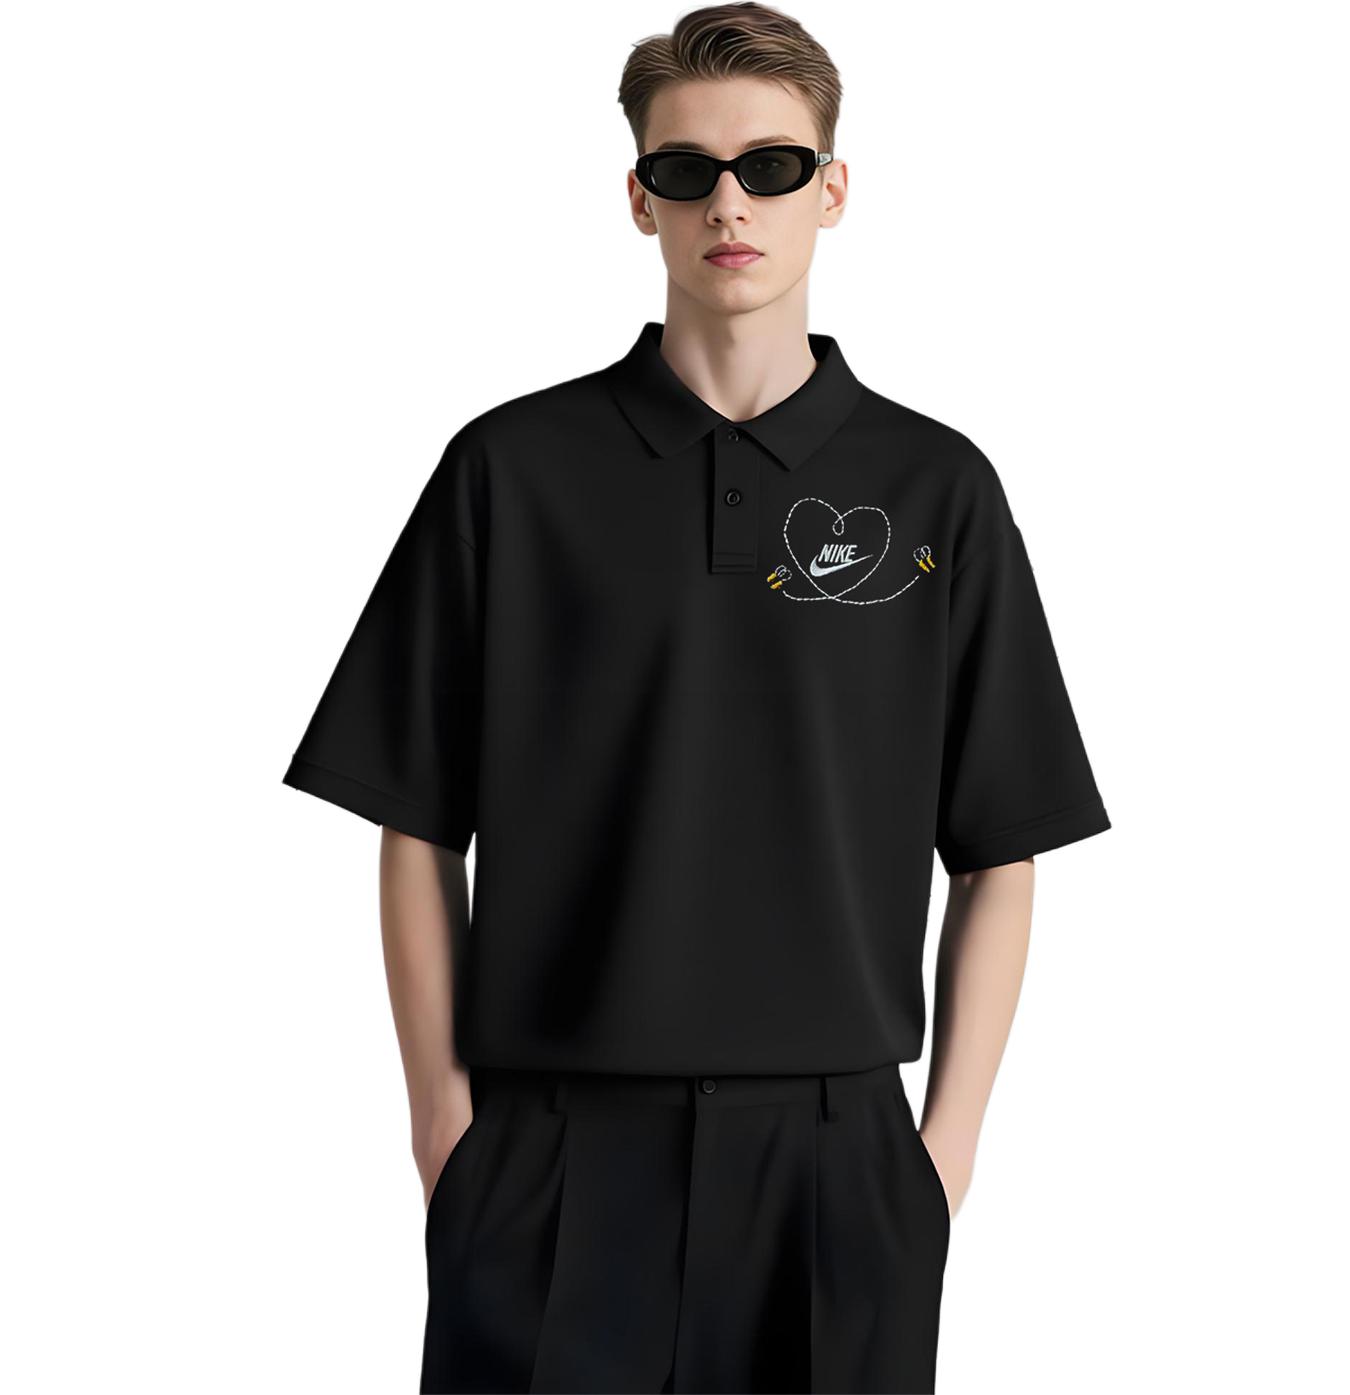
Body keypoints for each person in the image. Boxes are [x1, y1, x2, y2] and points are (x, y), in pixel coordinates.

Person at [281, 4, 1111, 1391]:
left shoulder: (936, 491)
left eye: (772, 167)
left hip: (839, 1165)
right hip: (548, 1153)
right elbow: (414, 819)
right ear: (639, 197)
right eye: (688, 170)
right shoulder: (510, 471)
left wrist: (942, 1156)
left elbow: (1002, 847)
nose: (731, 203)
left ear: (831, 190)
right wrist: (443, 1129)